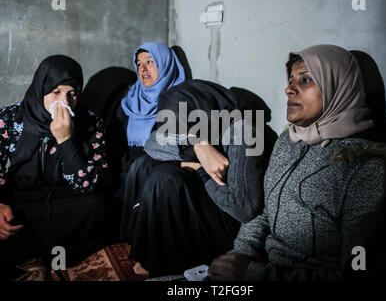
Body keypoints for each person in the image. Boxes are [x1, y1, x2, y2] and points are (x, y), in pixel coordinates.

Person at [206, 44, 386, 281]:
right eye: (291, 80)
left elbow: (356, 273)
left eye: (305, 80)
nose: (289, 89)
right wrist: (238, 258)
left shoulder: (366, 167)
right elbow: (264, 213)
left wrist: (252, 274)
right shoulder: (289, 140)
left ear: (338, 88)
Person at [120, 79, 268, 278]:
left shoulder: (244, 133)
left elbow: (244, 209)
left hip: (229, 220)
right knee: (143, 164)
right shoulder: (203, 125)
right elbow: (152, 142)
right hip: (210, 199)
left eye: (181, 126)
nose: (177, 132)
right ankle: (144, 249)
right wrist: (198, 144)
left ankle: (165, 265)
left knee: (165, 178)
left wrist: (200, 169)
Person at [0, 55, 111, 279]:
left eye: (72, 94)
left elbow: (88, 185)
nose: (65, 102)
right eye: (56, 92)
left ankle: (60, 258)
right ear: (41, 88)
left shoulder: (90, 122)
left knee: (98, 206)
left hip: (66, 200)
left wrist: (66, 140)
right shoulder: (10, 117)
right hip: (22, 200)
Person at [113, 42, 185, 200]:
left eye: (149, 61)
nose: (142, 69)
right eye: (139, 64)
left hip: (155, 181)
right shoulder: (129, 98)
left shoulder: (180, 101)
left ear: (165, 64)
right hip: (124, 177)